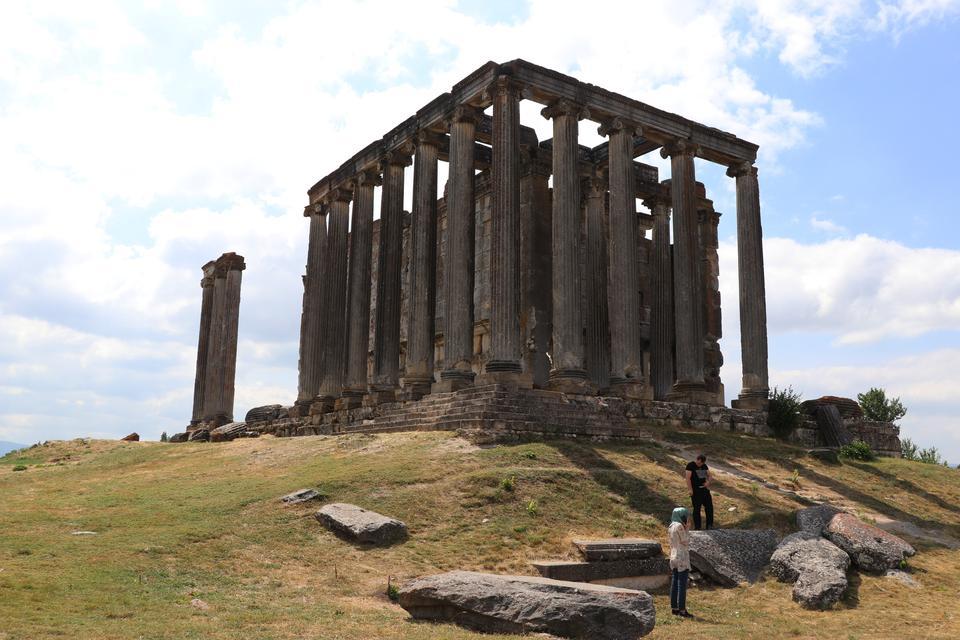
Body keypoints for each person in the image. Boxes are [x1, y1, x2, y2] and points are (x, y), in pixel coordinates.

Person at [668, 506, 693, 618]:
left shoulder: (671, 526)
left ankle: (674, 607)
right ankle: (682, 610)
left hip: (673, 555)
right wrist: (687, 528)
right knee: (681, 584)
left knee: (675, 581)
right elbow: (685, 540)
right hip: (681, 556)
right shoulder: (679, 526)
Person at [685, 454, 713, 530]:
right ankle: (697, 527)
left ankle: (709, 525)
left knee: (709, 507)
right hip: (695, 490)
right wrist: (690, 489)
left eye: (701, 463)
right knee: (697, 508)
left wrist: (708, 482)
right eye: (698, 462)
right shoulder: (691, 465)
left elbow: (710, 476)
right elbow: (688, 478)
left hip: (704, 489)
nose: (699, 464)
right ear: (697, 459)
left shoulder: (704, 466)